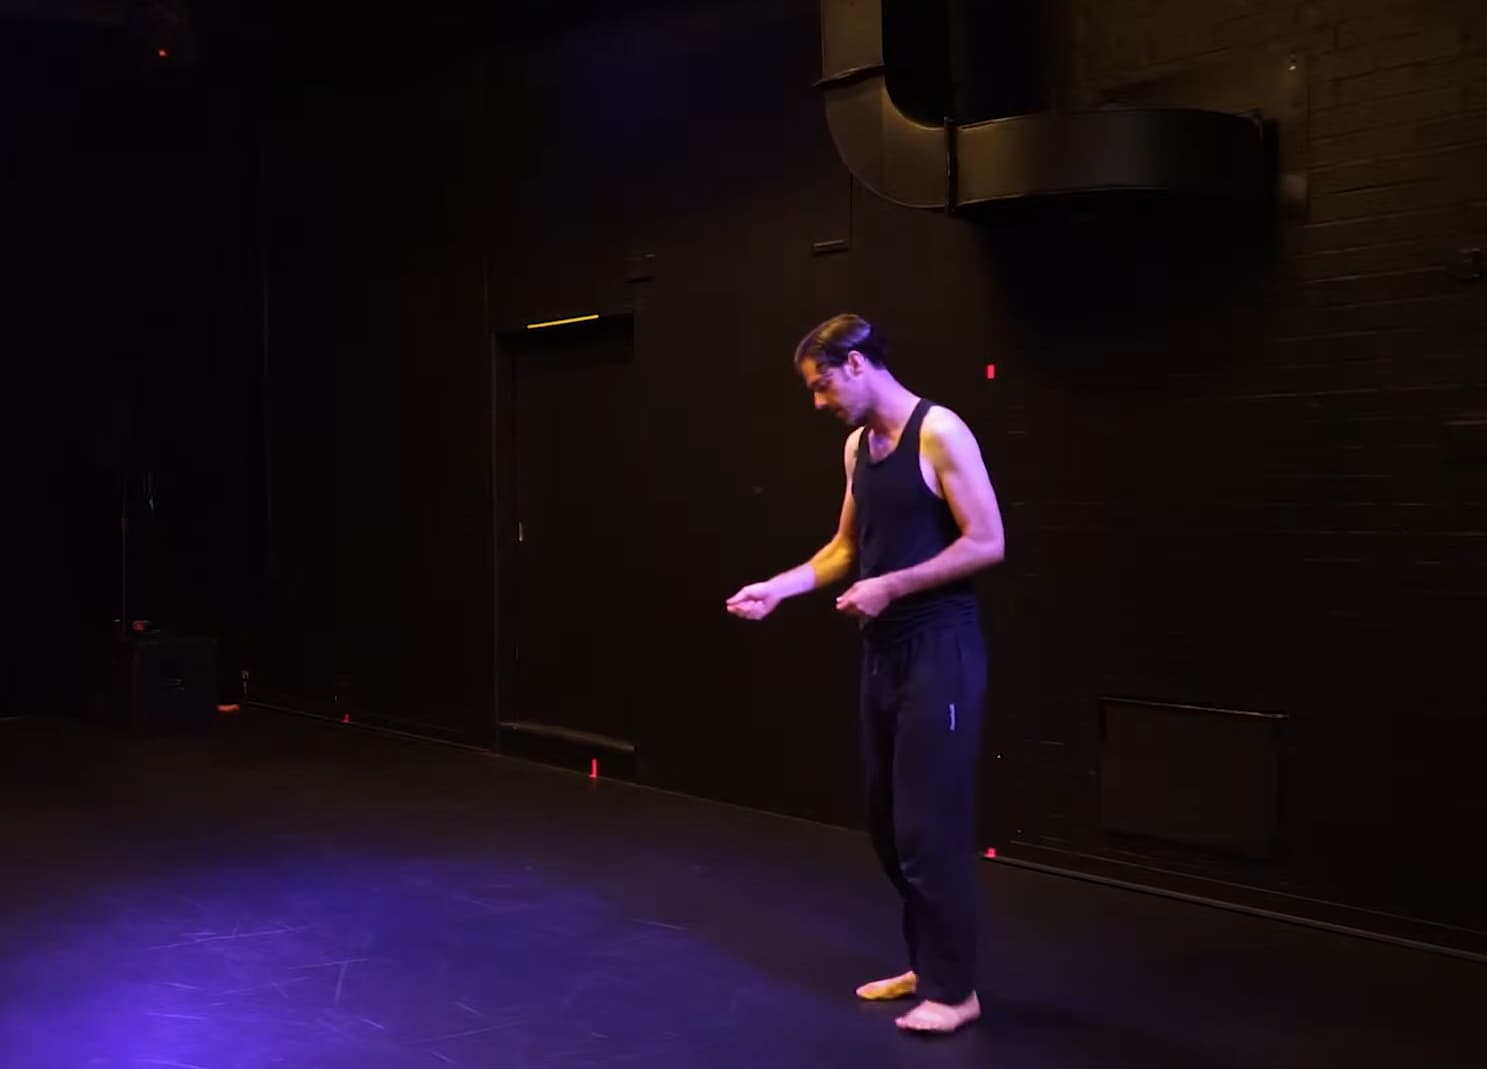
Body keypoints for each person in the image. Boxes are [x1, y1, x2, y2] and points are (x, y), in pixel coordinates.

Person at [726, 313, 1005, 1035]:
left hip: (940, 650)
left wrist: (895, 586)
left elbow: (987, 541)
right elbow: (845, 549)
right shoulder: (858, 447)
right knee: (887, 824)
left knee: (928, 827)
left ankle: (954, 989)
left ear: (856, 365)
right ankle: (927, 961)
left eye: (822, 386)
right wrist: (778, 587)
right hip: (883, 652)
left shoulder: (940, 431)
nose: (818, 403)